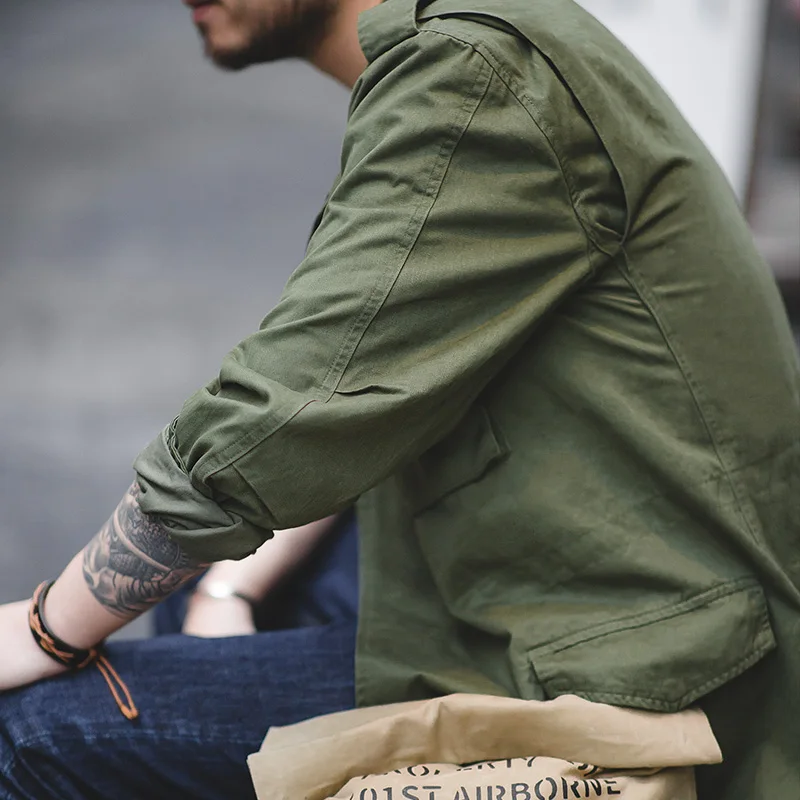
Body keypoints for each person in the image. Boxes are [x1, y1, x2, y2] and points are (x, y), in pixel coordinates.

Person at [0, 1, 798, 799]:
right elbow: (362, 383)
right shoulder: (465, 51)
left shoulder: (475, 79)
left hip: (631, 660)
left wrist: (46, 629)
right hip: (549, 574)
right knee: (201, 597)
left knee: (31, 731)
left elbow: (287, 403)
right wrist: (226, 587)